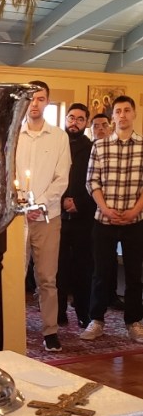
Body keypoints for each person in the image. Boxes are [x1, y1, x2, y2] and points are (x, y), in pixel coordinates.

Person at [81, 95, 143, 343]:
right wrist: (105, 209)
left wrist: (135, 210)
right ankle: (96, 321)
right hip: (104, 220)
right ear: (113, 116)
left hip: (135, 221)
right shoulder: (100, 146)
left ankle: (134, 322)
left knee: (135, 274)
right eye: (118, 111)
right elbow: (92, 181)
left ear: (134, 114)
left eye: (127, 110)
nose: (123, 115)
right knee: (101, 273)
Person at [15, 81, 70, 352]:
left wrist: (41, 204)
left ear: (47, 101)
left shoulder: (59, 137)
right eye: (31, 99)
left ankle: (50, 331)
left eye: (40, 98)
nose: (34, 104)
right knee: (15, 276)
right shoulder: (14, 134)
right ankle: (14, 328)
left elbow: (62, 178)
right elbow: (7, 173)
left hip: (48, 217)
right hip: (17, 219)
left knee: (47, 278)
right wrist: (21, 204)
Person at [56, 103, 95, 329]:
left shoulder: (92, 148)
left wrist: (78, 202)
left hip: (84, 217)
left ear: (86, 123)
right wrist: (62, 201)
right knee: (58, 267)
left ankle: (83, 312)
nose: (74, 122)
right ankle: (59, 311)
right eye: (71, 117)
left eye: (80, 119)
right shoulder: (57, 145)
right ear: (66, 119)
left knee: (83, 268)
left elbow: (96, 180)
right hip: (58, 216)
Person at [90, 113, 123, 310]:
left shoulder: (117, 149)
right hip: (91, 213)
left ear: (110, 127)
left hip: (111, 212)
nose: (100, 129)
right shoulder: (91, 148)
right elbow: (89, 182)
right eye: (96, 126)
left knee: (110, 262)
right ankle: (94, 302)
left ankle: (112, 295)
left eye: (104, 125)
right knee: (97, 263)